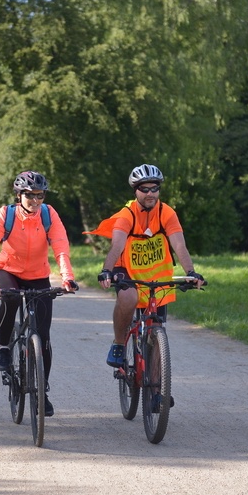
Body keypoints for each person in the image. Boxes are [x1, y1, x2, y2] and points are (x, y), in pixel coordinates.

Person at [92, 164, 204, 385]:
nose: (151, 193)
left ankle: (156, 390)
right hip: (126, 268)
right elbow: (116, 246)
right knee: (129, 298)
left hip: (155, 273)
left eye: (155, 188)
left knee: (156, 328)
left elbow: (179, 245)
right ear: (136, 191)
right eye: (145, 189)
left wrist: (191, 272)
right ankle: (118, 343)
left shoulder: (167, 212)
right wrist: (107, 270)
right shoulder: (127, 214)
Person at [0, 171, 78, 417]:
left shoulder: (48, 214)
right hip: (7, 270)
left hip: (38, 273)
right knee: (10, 298)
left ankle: (42, 392)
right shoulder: (6, 215)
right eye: (30, 196)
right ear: (19, 195)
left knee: (43, 336)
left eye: (39, 195)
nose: (35, 201)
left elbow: (61, 248)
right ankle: (4, 348)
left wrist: (67, 277)